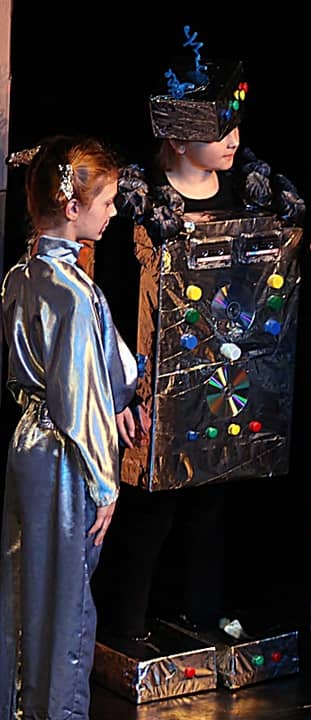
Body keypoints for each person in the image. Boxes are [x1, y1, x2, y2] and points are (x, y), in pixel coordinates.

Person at [91, 34, 311, 645]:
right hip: (157, 384)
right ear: (179, 139)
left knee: (212, 508)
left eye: (235, 127)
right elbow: (113, 301)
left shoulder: (254, 189)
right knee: (151, 515)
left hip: (228, 379)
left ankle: (202, 617)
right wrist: (125, 390)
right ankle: (126, 630)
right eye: (219, 130)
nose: (234, 140)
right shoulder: (139, 202)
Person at [0, 135, 147, 719]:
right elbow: (78, 395)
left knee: (25, 586)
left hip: (27, 443)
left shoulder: (21, 276)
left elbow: (87, 370)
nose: (111, 212)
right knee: (66, 600)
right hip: (65, 453)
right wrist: (106, 482)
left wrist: (116, 396)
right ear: (71, 207)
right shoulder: (74, 290)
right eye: (106, 202)